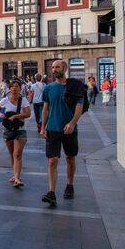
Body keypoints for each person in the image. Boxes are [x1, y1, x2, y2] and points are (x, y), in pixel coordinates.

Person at [40, 60, 84, 207]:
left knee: (70, 158)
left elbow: (79, 107)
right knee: (52, 160)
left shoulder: (75, 87)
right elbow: (45, 108)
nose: (54, 69)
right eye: (52, 67)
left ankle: (70, 185)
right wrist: (42, 126)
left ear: (64, 68)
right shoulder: (49, 88)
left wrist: (72, 123)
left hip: (70, 130)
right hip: (53, 128)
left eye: (57, 67)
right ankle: (51, 192)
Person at [0, 80, 31, 188]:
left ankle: (17, 178)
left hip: (20, 129)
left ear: (20, 89)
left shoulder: (23, 100)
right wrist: (0, 113)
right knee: (12, 154)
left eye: (17, 86)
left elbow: (28, 113)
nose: (14, 88)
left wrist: (16, 116)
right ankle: (15, 175)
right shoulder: (5, 100)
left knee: (17, 154)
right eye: (12, 87)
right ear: (9, 89)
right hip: (8, 130)